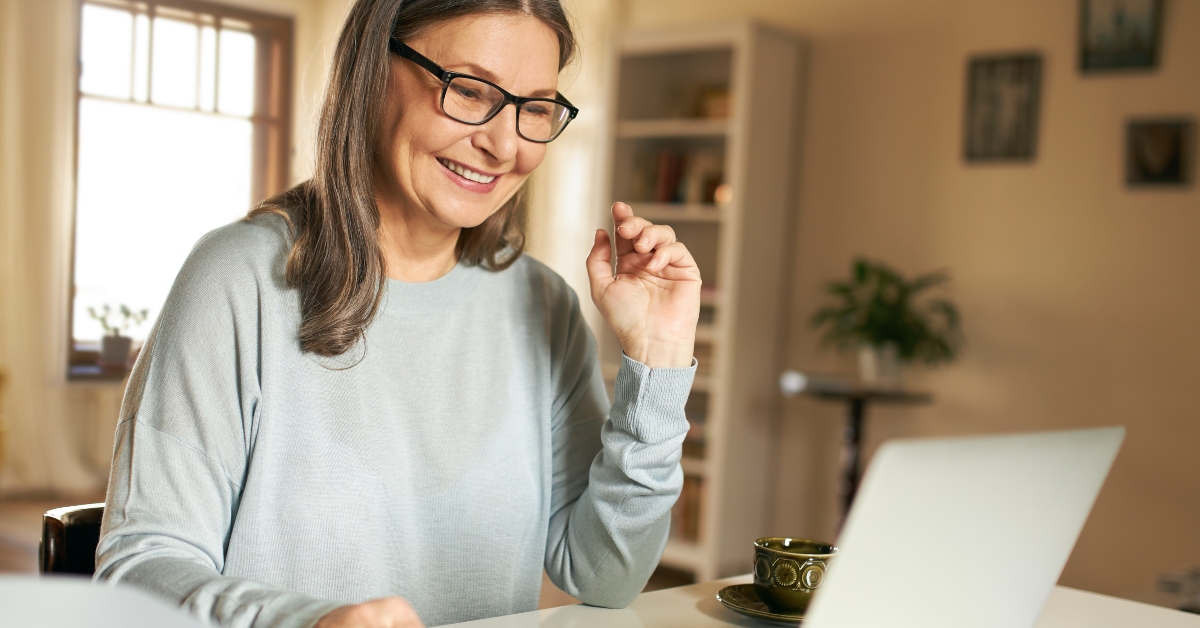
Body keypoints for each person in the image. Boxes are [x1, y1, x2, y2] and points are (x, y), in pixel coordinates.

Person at [94, 1, 701, 627]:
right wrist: (310, 623)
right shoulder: (236, 278)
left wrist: (656, 360)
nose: (503, 144)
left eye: (536, 109)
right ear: (372, 71)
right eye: (469, 90)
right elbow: (140, 565)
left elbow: (605, 576)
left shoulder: (545, 304)